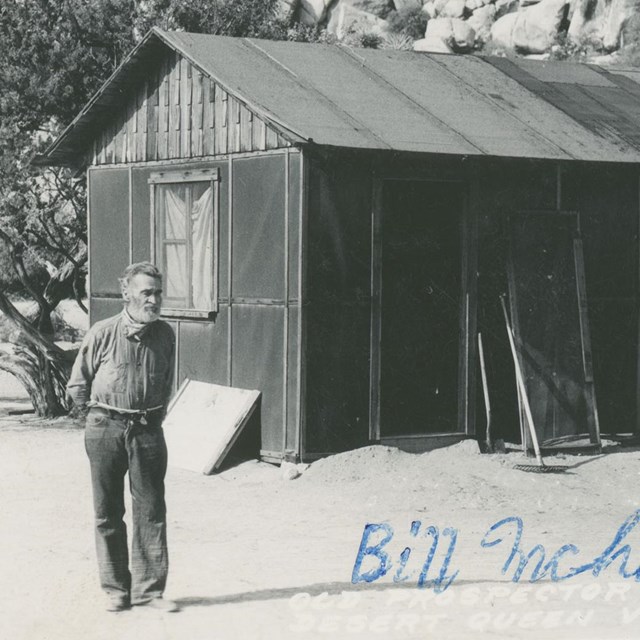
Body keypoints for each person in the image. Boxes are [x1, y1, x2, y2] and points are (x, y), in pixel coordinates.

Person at [67, 262, 178, 612]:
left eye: (158, 292)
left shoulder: (165, 335)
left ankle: (150, 592)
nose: (154, 299)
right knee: (107, 512)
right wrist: (100, 417)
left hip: (147, 431)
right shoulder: (102, 332)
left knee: (151, 510)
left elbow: (167, 383)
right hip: (105, 429)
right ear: (127, 292)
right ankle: (116, 590)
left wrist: (150, 418)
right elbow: (77, 384)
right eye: (147, 292)